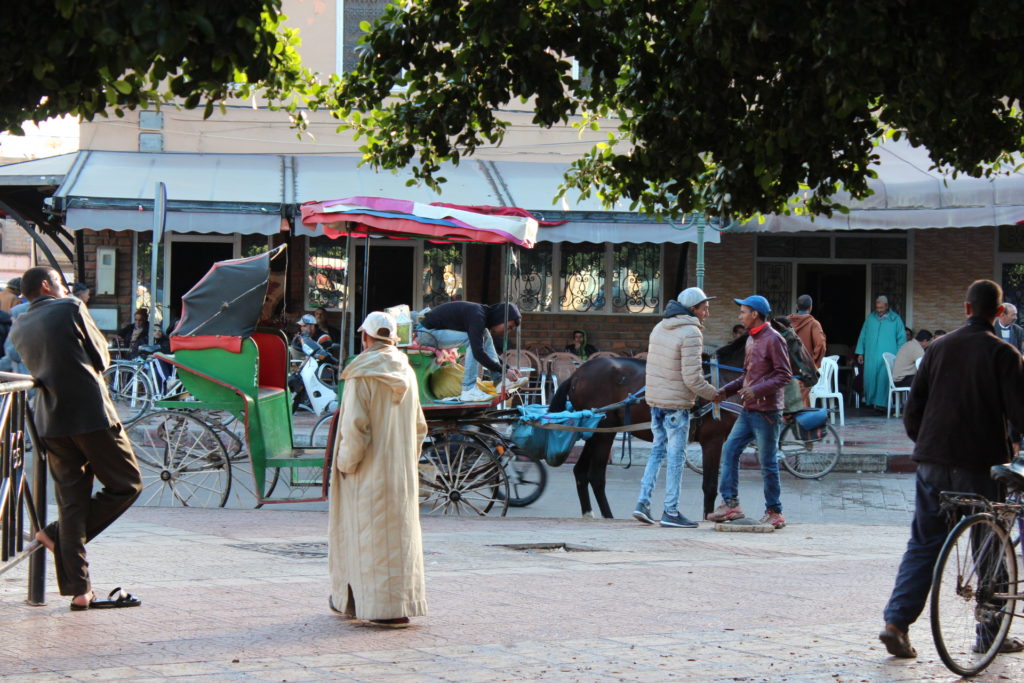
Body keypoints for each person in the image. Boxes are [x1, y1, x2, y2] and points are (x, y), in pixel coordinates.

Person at [879, 280, 1024, 658]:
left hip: (932, 462)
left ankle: (896, 622)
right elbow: (1020, 416)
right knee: (991, 543)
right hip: (980, 465)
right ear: (997, 313)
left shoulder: (938, 348)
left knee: (924, 543)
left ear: (965, 309)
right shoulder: (1005, 354)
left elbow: (914, 411)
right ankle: (990, 634)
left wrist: (927, 445)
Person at [10, 267, 143, 611]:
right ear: (46, 285)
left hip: (50, 422)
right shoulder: (69, 307)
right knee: (127, 485)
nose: (66, 288)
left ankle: (79, 591)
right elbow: (101, 358)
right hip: (90, 414)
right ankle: (54, 535)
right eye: (61, 282)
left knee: (71, 503)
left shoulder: (19, 325)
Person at [328, 311, 428, 628]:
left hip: (367, 471)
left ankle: (368, 604)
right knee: (397, 542)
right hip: (399, 471)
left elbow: (356, 429)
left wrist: (345, 465)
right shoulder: (407, 371)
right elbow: (420, 428)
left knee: (364, 539)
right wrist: (406, 463)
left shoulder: (361, 373)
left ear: (365, 337)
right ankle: (393, 604)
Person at [633, 287, 723, 528]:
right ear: (692, 309)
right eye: (704, 307)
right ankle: (670, 511)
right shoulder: (691, 332)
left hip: (656, 402)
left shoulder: (660, 327)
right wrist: (715, 395)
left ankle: (642, 502)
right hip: (675, 406)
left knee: (657, 451)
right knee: (676, 457)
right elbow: (692, 379)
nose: (707, 312)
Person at [707, 295, 792, 529]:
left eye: (743, 311)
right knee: (730, 450)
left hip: (767, 411)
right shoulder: (751, 340)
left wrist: (756, 390)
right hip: (748, 409)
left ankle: (775, 512)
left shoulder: (773, 339)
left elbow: (784, 375)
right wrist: (724, 390)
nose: (740, 316)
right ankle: (730, 504)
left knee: (767, 462)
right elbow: (747, 376)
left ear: (755, 314)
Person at [416, 301, 523, 403]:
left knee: (485, 336)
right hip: (426, 334)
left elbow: (484, 350)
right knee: (471, 339)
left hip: (434, 333)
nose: (506, 332)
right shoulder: (478, 316)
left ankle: (499, 380)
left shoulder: (481, 316)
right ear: (501, 318)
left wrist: (507, 368)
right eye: (508, 327)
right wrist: (504, 370)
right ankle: (468, 390)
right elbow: (478, 353)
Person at [855, 295, 906, 411]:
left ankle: (881, 405)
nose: (879, 310)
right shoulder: (870, 319)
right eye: (877, 307)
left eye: (881, 308)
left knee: (883, 379)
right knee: (870, 377)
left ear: (887, 306)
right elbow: (862, 336)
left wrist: (899, 356)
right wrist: (860, 353)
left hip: (888, 357)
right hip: (871, 356)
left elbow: (901, 339)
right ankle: (872, 402)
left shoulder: (895, 319)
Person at [788, 294, 827, 406]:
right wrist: (813, 364)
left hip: (785, 369)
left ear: (796, 306)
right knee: (798, 403)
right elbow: (821, 345)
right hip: (804, 371)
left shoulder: (785, 322)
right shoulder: (813, 324)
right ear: (810, 307)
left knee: (790, 403)